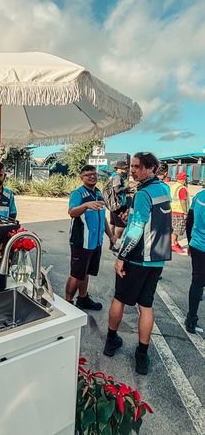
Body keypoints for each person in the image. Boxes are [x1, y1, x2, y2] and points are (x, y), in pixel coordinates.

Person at [103, 152, 171, 375]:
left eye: (137, 167)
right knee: (146, 306)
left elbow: (136, 229)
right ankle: (142, 355)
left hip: (138, 257)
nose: (132, 170)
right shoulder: (163, 189)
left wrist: (121, 256)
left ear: (150, 168)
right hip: (157, 258)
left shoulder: (143, 194)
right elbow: (150, 219)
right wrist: (130, 215)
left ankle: (111, 341)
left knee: (119, 299)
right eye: (131, 166)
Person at [66, 165, 117, 311]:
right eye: (88, 175)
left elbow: (103, 217)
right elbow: (72, 212)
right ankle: (68, 302)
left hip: (95, 241)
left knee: (86, 271)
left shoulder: (98, 194)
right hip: (81, 241)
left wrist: (111, 236)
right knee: (76, 274)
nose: (92, 177)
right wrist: (86, 205)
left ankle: (82, 299)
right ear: (81, 178)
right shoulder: (78, 193)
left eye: (94, 174)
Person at [185, 189, 205, 333]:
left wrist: (190, 242)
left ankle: (191, 319)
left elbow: (189, 221)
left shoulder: (199, 196)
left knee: (197, 283)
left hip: (197, 245)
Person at [109, 161, 130, 247]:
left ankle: (112, 242)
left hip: (113, 203)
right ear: (119, 168)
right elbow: (117, 190)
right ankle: (115, 243)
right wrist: (128, 187)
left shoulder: (113, 175)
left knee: (113, 223)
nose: (126, 169)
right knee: (121, 225)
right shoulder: (117, 176)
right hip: (119, 204)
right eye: (125, 168)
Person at [170, 171, 190, 254]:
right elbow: (182, 201)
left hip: (172, 210)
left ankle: (174, 242)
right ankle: (172, 244)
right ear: (184, 180)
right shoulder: (182, 188)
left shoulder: (174, 186)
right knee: (176, 229)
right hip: (179, 211)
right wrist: (185, 212)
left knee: (174, 228)